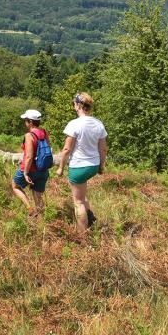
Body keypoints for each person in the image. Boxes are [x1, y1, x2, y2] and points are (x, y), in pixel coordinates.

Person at [56, 92, 107, 234]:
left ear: (78, 105)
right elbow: (103, 149)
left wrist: (60, 168)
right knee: (82, 196)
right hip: (93, 165)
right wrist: (101, 166)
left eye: (74, 103)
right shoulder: (98, 124)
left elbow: (67, 149)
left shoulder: (74, 124)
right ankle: (91, 219)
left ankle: (82, 235)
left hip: (79, 166)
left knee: (77, 202)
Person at [11, 109, 50, 216]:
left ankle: (30, 209)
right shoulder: (44, 133)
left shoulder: (29, 135)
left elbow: (29, 156)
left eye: (26, 120)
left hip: (30, 169)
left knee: (15, 186)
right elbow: (48, 149)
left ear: (31, 122)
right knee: (37, 194)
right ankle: (43, 220)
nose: (25, 122)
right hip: (43, 169)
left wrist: (25, 173)